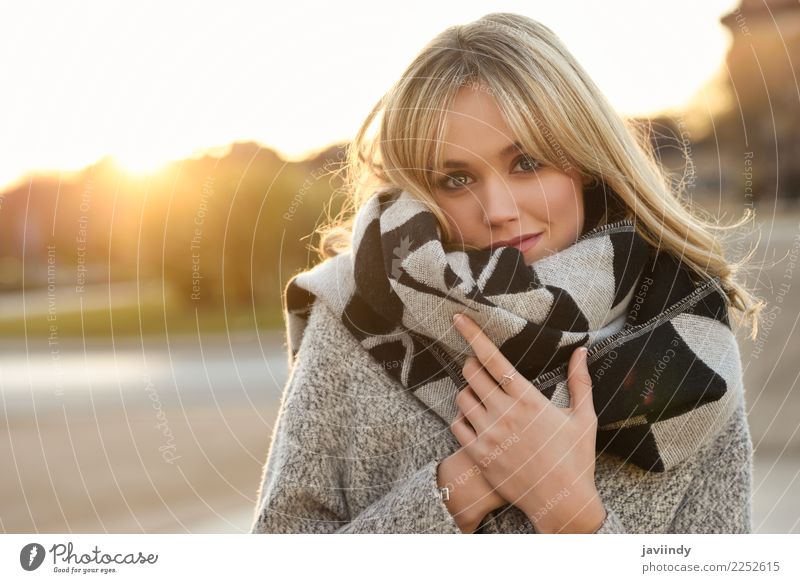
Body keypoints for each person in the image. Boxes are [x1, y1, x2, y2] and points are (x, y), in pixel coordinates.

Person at [250, 12, 764, 534]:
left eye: (527, 163)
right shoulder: (356, 315)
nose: (497, 209)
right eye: (455, 178)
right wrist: (464, 485)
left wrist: (569, 515)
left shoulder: (687, 331)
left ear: (585, 158)